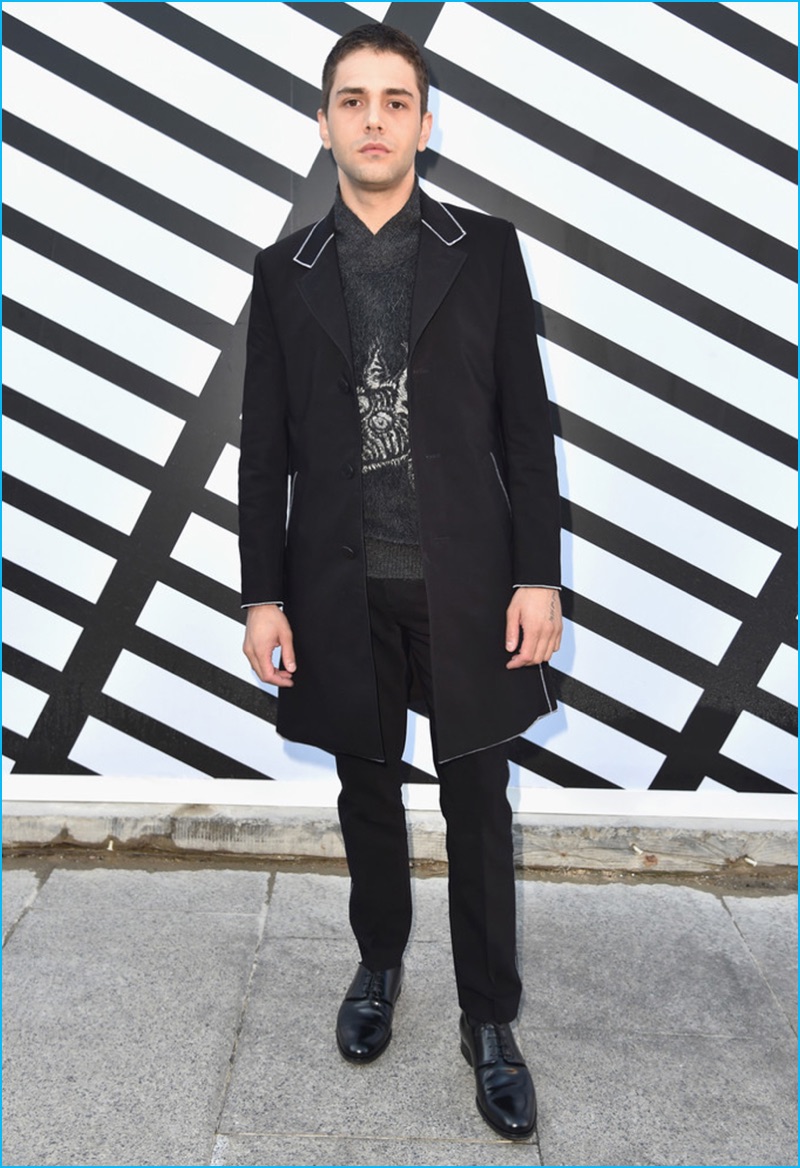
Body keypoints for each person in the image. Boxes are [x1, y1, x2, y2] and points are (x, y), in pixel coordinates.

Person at [239, 23, 562, 1141]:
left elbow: (526, 429)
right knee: (364, 793)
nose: (372, 119)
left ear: (425, 123)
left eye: (393, 99)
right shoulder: (284, 273)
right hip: (337, 585)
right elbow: (262, 446)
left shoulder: (488, 249)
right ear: (324, 120)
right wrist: (261, 596)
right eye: (350, 100)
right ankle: (376, 964)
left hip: (468, 580)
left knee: (477, 805)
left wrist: (538, 578)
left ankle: (489, 1022)